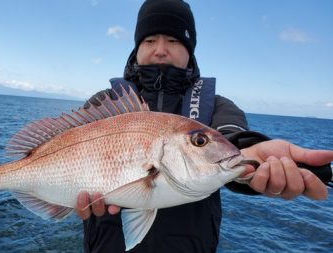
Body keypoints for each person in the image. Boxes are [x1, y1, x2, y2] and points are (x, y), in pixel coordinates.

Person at [75, 0, 333, 252]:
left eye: (174, 40)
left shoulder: (219, 107)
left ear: (190, 49)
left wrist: (250, 157)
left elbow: (233, 138)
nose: (161, 49)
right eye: (150, 40)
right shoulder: (104, 103)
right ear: (137, 48)